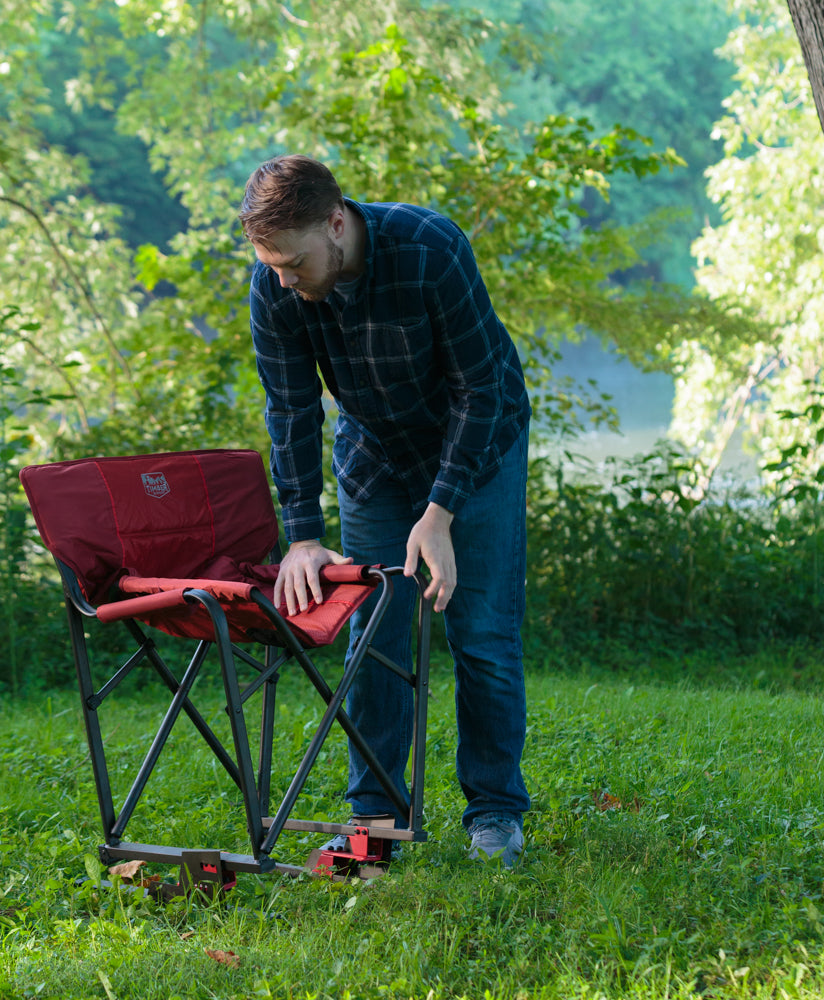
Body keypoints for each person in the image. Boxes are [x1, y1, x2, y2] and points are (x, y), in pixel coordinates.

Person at [238, 155, 531, 866]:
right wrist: (303, 536)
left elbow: (481, 391)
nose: (282, 278)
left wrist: (441, 511)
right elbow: (291, 408)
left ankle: (494, 813)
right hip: (374, 457)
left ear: (336, 223)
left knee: (483, 635)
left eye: (294, 261)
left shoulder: (431, 251)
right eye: (270, 263)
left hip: (478, 447)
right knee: (374, 636)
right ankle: (375, 818)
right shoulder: (276, 284)